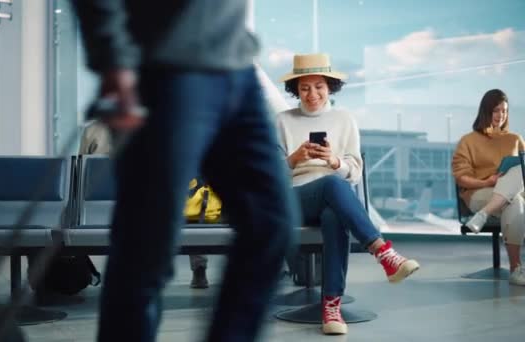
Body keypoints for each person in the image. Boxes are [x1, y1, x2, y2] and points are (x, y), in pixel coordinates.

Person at [72, 1, 299, 341]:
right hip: (166, 68)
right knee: (148, 246)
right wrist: (112, 58)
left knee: (271, 224)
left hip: (237, 66)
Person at [276, 53, 420, 335]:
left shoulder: (344, 120)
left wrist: (333, 161)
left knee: (334, 214)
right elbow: (270, 177)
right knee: (332, 186)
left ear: (330, 86)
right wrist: (294, 158)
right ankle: (384, 253)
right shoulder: (282, 121)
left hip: (333, 195)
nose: (312, 94)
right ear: (296, 90)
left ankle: (331, 307)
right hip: (294, 198)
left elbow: (354, 172)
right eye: (304, 88)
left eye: (318, 86)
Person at [79, 120, 211, 288]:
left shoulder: (92, 130)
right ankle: (198, 268)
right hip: (139, 201)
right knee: (191, 210)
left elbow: (82, 173)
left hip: (106, 204)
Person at [452, 88, 525, 286]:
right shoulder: (468, 141)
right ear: (485, 111)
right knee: (515, 202)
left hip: (511, 195)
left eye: (504, 111)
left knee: (516, 194)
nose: (501, 115)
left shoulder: (515, 139)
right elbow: (461, 177)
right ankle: (516, 269)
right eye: (496, 110)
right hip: (480, 192)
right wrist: (487, 181)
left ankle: (484, 214)